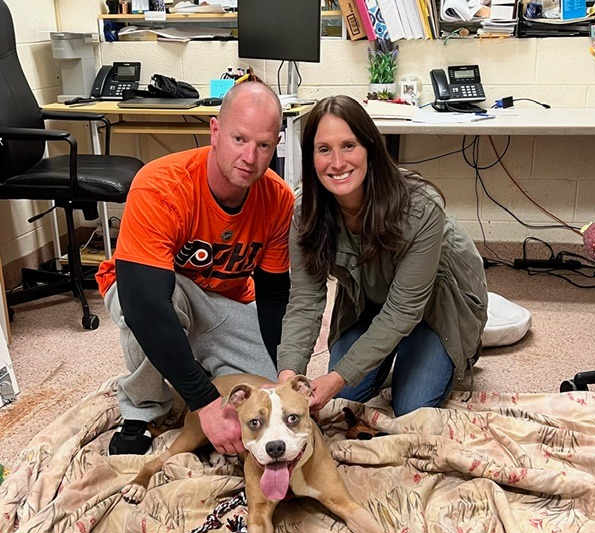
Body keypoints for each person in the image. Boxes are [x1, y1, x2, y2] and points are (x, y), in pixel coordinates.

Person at [95, 81, 294, 456]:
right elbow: (145, 305)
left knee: (269, 394)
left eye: (263, 145)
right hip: (152, 292)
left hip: (224, 302)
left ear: (276, 145)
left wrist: (284, 369)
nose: (250, 157)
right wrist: (205, 404)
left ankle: (197, 364)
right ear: (215, 131)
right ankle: (141, 410)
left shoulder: (279, 198)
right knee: (152, 309)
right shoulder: (160, 185)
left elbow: (273, 297)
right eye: (239, 139)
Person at [277, 95, 488, 418]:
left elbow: (404, 310)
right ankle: (391, 353)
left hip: (437, 304)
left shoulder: (421, 207)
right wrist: (288, 377)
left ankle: (455, 348)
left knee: (411, 407)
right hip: (368, 300)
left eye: (348, 145)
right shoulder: (305, 211)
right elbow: (305, 300)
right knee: (345, 396)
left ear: (370, 148)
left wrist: (336, 376)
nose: (337, 162)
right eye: (324, 149)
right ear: (311, 156)